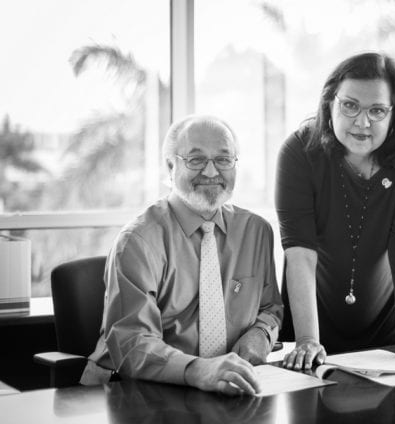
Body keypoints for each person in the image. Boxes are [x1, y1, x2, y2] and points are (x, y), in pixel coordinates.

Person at [275, 52, 395, 370]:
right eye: (350, 105)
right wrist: (308, 339)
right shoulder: (298, 152)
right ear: (329, 104)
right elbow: (300, 250)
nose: (362, 123)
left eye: (377, 110)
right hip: (318, 308)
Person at [81, 115, 283, 395]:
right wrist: (198, 369)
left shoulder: (256, 232)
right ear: (170, 167)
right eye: (196, 160)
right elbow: (132, 342)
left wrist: (259, 336)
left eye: (223, 159)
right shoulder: (139, 241)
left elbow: (270, 309)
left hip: (226, 388)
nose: (212, 172)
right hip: (131, 391)